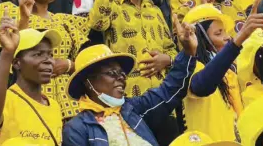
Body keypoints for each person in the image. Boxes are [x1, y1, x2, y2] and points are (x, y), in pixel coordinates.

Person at [88, 0, 181, 144]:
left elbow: (171, 48)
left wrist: (167, 60)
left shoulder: (154, 9)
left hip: (163, 100)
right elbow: (96, 23)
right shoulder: (111, 6)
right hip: (128, 102)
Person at [62, 13, 198, 146]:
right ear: (88, 82)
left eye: (122, 73)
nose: (121, 78)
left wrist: (188, 52)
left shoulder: (134, 109)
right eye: (112, 73)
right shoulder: (76, 129)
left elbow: (169, 90)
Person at [0, 0, 91, 120]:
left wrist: (67, 65)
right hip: (31, 96)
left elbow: (86, 63)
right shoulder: (11, 14)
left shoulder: (63, 21)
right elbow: (14, 54)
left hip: (69, 103)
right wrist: (24, 17)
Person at [180, 2, 263, 142]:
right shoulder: (190, 68)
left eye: (225, 31)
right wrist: (241, 36)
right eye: (218, 33)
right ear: (200, 39)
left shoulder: (229, 73)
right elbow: (202, 85)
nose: (227, 37)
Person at [0, 14, 63, 145]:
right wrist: (7, 53)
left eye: (50, 54)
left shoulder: (55, 107)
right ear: (17, 63)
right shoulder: (4, 101)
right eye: (38, 54)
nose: (48, 61)